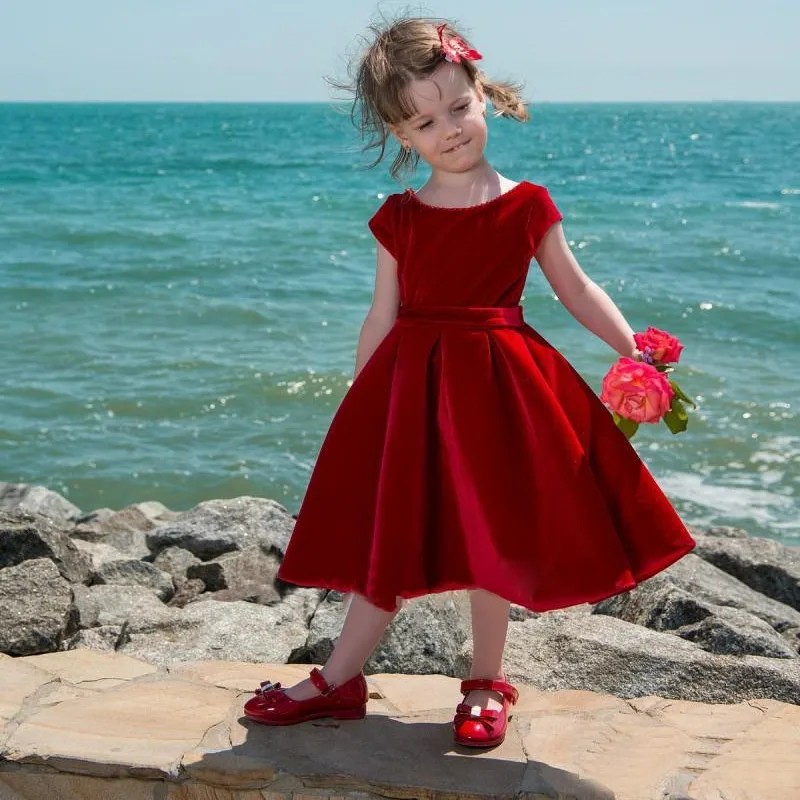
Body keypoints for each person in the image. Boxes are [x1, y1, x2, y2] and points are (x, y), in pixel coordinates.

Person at [244, 16, 696, 748]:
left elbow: (577, 290)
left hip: (501, 395)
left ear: (482, 94)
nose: (448, 129)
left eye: (458, 107)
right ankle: (338, 679)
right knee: (390, 538)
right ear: (403, 136)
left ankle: (487, 682)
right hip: (412, 398)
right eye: (426, 121)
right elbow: (381, 314)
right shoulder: (400, 219)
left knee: (495, 538)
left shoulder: (526, 205)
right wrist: (365, 408)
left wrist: (637, 352)